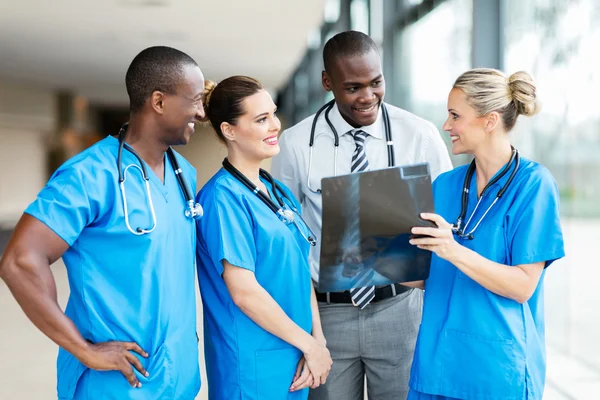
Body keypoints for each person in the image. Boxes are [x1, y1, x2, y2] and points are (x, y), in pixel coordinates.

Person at [0, 46, 205, 399]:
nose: (201, 112)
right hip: (115, 386)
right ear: (158, 101)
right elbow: (20, 261)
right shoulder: (89, 175)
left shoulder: (182, 172)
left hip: (178, 379)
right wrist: (83, 349)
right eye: (194, 100)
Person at [271, 30, 453, 400]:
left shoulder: (419, 134)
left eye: (376, 83)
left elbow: (446, 220)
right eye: (353, 87)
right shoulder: (295, 143)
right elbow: (284, 230)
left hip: (400, 309)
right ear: (327, 82)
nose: (367, 97)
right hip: (328, 315)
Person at [408, 68, 565, 400]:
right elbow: (426, 274)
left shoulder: (534, 186)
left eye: (455, 116)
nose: (446, 125)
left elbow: (523, 286)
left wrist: (454, 251)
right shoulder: (444, 185)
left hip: (496, 368)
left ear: (490, 121)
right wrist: (379, 255)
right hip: (437, 362)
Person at [195, 76, 332, 400]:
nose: (275, 125)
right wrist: (309, 344)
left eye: (273, 113)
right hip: (252, 364)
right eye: (261, 119)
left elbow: (301, 271)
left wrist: (319, 341)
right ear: (229, 130)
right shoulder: (221, 199)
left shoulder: (278, 191)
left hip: (296, 354)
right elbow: (244, 292)